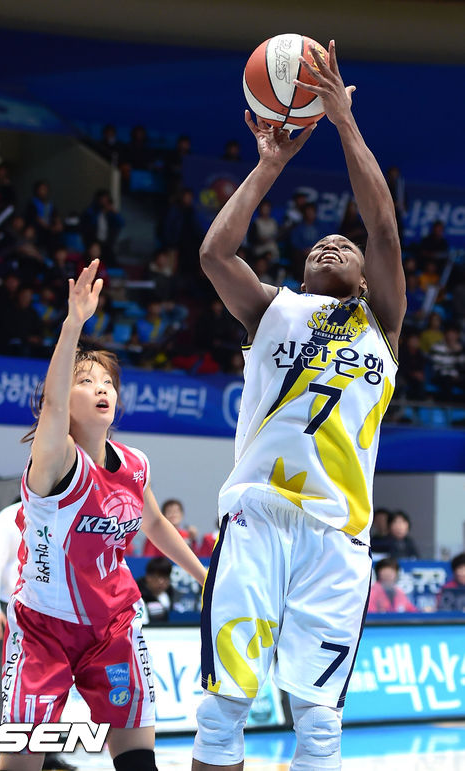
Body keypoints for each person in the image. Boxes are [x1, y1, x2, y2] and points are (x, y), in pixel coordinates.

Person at [192, 41, 406, 771]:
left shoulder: (382, 326)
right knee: (221, 712)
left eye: (344, 245)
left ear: (367, 280)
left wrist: (344, 121)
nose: (332, 241)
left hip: (338, 538)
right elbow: (215, 255)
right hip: (257, 516)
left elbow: (383, 227)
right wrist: (270, 165)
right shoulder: (272, 309)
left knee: (319, 727)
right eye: (320, 243)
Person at [0, 260, 206, 771]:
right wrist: (74, 324)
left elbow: (153, 524)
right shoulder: (55, 460)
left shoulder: (135, 464)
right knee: (21, 762)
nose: (101, 388)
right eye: (86, 381)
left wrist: (206, 576)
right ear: (64, 399)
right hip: (43, 626)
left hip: (113, 624)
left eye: (108, 382)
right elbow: (51, 406)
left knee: (137, 758)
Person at [0, 501, 76, 771]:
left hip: (55, 608)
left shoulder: (65, 512)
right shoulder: (8, 516)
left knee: (57, 681)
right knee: (7, 678)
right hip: (15, 607)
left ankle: (48, 750)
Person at [136, 557, 174, 624]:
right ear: (148, 577)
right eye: (159, 576)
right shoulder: (137, 596)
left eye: (166, 577)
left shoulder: (170, 593)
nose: (161, 582)